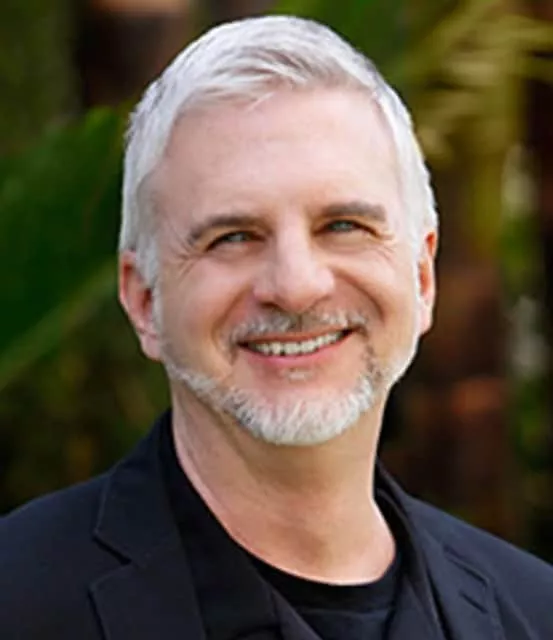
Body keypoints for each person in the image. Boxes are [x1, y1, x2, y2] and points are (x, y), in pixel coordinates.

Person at [1, 15, 552, 640]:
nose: (295, 285)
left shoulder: (534, 612)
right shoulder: (16, 602)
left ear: (422, 277)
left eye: (343, 226)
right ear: (144, 300)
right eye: (234, 237)